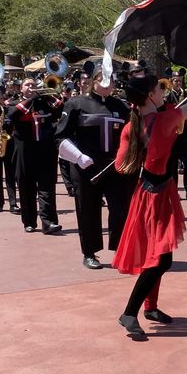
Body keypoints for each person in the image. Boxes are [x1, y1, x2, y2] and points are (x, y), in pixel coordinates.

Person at [112, 75, 187, 339]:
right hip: (157, 196)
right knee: (160, 260)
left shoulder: (131, 126)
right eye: (159, 89)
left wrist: (137, 152)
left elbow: (121, 166)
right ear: (149, 96)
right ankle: (129, 313)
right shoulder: (163, 120)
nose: (163, 92)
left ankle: (150, 308)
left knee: (157, 254)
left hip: (147, 191)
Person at [55, 68, 132, 269]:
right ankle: (89, 252)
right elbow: (60, 136)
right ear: (94, 81)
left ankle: (120, 250)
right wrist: (78, 156)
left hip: (115, 166)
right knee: (88, 209)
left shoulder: (121, 107)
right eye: (103, 79)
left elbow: (130, 135)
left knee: (119, 208)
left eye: (111, 80)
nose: (108, 83)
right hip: (85, 166)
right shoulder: (76, 104)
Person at [7, 78, 63, 234]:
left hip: (46, 151)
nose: (31, 87)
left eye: (33, 85)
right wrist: (31, 98)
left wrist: (49, 96)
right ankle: (29, 221)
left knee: (47, 188)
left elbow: (62, 109)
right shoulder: (14, 104)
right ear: (21, 89)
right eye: (27, 85)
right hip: (25, 152)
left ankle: (49, 222)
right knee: (26, 187)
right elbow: (12, 114)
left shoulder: (45, 103)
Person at [165, 69, 187, 202]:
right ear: (171, 82)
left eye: (180, 80)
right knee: (172, 163)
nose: (178, 83)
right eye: (175, 80)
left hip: (184, 132)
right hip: (172, 133)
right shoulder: (167, 96)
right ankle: (173, 190)